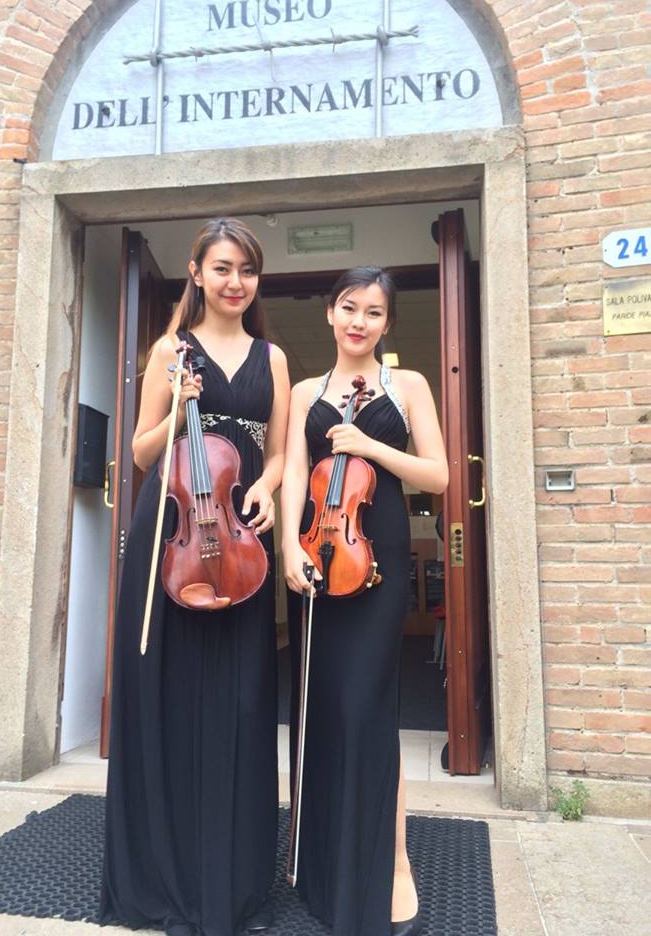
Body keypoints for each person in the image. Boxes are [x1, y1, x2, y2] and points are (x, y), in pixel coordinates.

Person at [100, 217, 291, 936]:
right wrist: (180, 405)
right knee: (174, 700)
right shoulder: (169, 349)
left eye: (247, 270)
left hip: (239, 543)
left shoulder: (271, 357)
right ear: (196, 272)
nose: (235, 282)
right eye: (222, 268)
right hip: (174, 539)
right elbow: (142, 451)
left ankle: (232, 885)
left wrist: (266, 486)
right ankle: (169, 879)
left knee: (240, 705)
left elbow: (278, 451)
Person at [281, 266, 448, 936]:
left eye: (373, 312)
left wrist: (371, 445)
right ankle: (324, 860)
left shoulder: (409, 386)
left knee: (367, 709)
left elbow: (438, 474)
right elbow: (296, 472)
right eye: (349, 308)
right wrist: (287, 548)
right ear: (330, 312)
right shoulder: (305, 392)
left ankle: (394, 861)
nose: (359, 322)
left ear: (386, 323)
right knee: (324, 708)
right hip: (318, 553)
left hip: (377, 555)